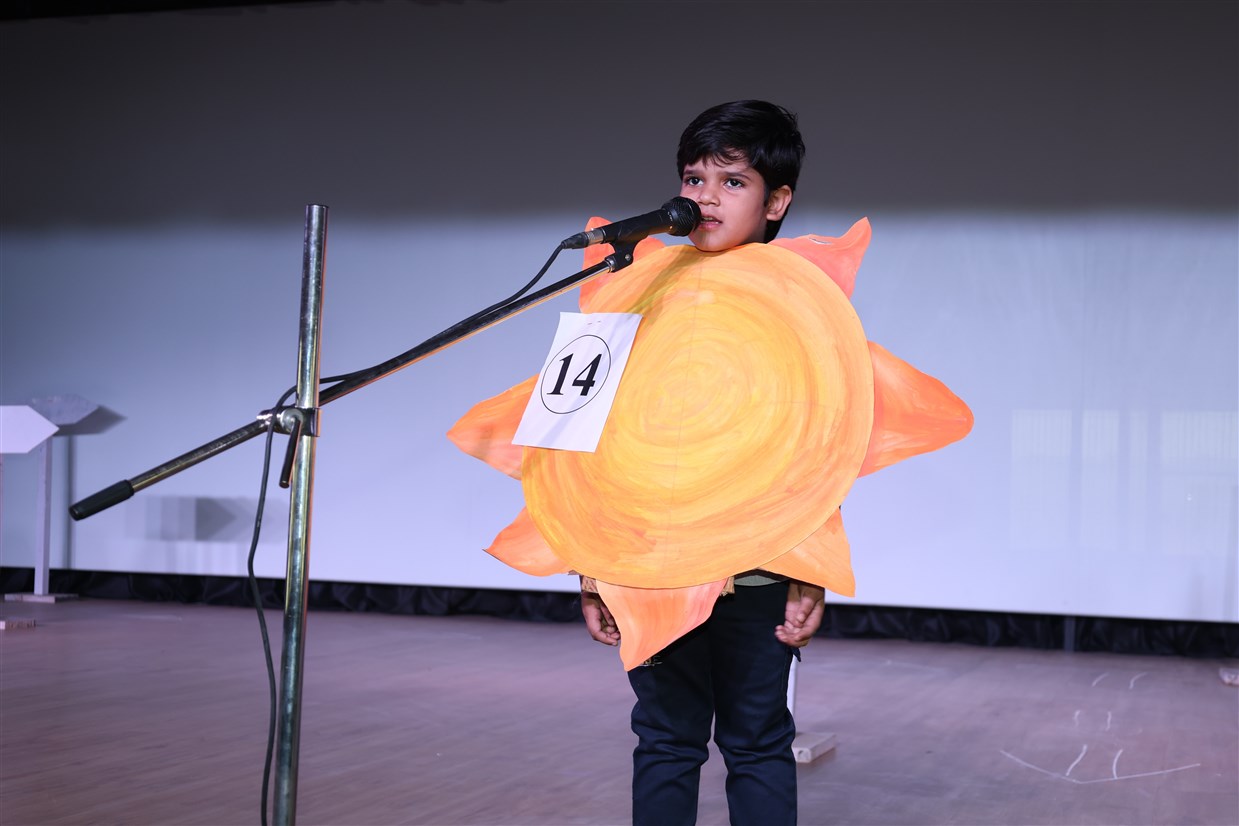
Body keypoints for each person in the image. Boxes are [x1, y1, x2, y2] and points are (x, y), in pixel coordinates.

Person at [580, 99, 826, 826]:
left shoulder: (800, 303)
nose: (707, 198)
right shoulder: (637, 286)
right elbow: (586, 433)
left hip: (758, 566)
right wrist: (590, 569)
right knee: (664, 738)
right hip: (653, 563)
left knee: (757, 740)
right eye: (694, 179)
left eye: (732, 181)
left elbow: (822, 445)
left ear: (776, 201)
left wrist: (812, 568)